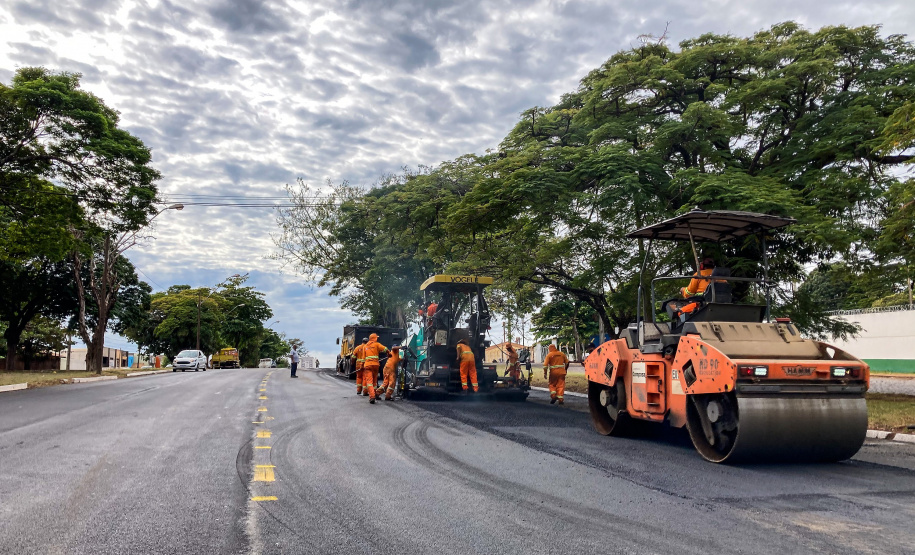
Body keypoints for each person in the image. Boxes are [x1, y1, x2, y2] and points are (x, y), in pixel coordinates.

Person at [362, 333, 389, 404]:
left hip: (367, 366)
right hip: (375, 365)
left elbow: (363, 358)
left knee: (369, 382)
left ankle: (372, 397)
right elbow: (385, 349)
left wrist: (362, 366)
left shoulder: (365, 346)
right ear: (375, 338)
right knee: (374, 381)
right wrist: (389, 354)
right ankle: (375, 394)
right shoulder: (377, 344)